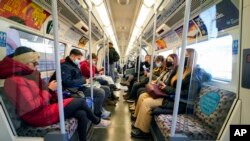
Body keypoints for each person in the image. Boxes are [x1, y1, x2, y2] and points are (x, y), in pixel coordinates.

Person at [0, 46, 111, 141]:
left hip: (44, 108)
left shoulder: (32, 75)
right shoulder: (14, 81)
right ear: (25, 63)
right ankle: (97, 121)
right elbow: (30, 106)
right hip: (36, 116)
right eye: (34, 63)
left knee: (81, 113)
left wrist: (51, 92)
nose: (37, 65)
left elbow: (42, 93)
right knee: (80, 101)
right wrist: (49, 90)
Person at [131, 49, 195, 138]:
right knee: (143, 95)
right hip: (171, 96)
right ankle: (138, 120)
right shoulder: (181, 71)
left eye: (186, 56)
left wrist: (166, 88)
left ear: (191, 58)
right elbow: (172, 85)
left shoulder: (193, 75)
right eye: (183, 56)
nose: (183, 58)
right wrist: (163, 85)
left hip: (179, 102)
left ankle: (144, 132)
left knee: (146, 102)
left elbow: (186, 93)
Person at [51, 49, 111, 119]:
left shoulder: (74, 65)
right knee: (100, 92)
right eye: (78, 58)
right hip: (73, 90)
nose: (79, 60)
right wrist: (84, 80)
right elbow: (68, 82)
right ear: (72, 56)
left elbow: (79, 77)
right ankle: (97, 114)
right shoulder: (65, 67)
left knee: (106, 89)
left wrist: (85, 80)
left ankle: (99, 108)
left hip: (79, 86)